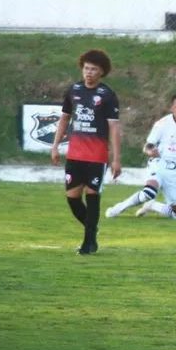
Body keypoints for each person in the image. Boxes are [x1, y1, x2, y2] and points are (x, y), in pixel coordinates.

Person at [50, 49, 121, 255]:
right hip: (75, 154)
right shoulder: (73, 91)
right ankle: (92, 229)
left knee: (92, 196)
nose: (89, 72)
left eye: (94, 69)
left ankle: (89, 243)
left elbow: (115, 128)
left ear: (102, 72)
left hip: (97, 156)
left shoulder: (107, 95)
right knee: (72, 198)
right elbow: (64, 119)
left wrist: (116, 159)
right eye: (86, 68)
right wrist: (55, 146)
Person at [106, 94, 176, 220]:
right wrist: (150, 152)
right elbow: (148, 146)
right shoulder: (162, 124)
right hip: (159, 165)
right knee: (148, 193)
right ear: (172, 108)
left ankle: (152, 206)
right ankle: (117, 209)